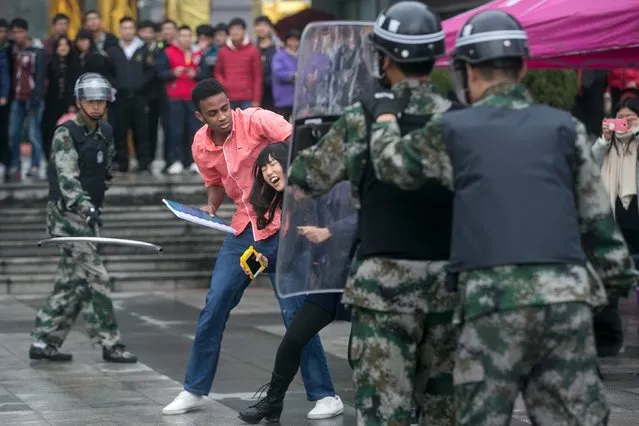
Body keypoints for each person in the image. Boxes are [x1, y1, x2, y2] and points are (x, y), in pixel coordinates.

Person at [366, 10, 637, 426]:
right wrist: (604, 303)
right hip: (563, 300)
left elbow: (391, 165)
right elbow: (600, 228)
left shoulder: (453, 129)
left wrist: (385, 118)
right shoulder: (564, 128)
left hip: (489, 305)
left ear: (467, 70)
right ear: (524, 67)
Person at [287, 2, 460, 424]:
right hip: (450, 283)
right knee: (444, 408)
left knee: (384, 411)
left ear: (383, 58)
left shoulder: (362, 117)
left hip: (383, 286)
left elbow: (305, 177)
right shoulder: (459, 117)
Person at [161, 79, 342, 420]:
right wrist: (210, 209)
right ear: (200, 117)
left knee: (295, 313)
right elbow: (215, 184)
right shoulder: (201, 144)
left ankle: (326, 395)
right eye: (213, 113)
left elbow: (301, 143)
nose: (223, 117)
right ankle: (194, 389)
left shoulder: (257, 120)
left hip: (284, 228)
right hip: (243, 229)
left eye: (226, 107)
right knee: (214, 305)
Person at [238, 143, 356, 424]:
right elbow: (294, 248)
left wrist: (329, 231)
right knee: (294, 338)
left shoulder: (332, 188)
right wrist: (267, 261)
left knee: (359, 355)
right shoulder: (295, 202)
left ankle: (408, 400)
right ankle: (273, 402)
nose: (268, 172)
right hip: (329, 284)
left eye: (272, 163)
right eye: (263, 168)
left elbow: (359, 220)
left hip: (358, 282)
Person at [29, 73, 137, 364]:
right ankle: (111, 344)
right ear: (79, 101)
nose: (96, 106)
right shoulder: (66, 133)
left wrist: (96, 203)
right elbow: (67, 178)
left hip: (89, 215)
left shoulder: (107, 132)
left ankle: (43, 340)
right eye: (90, 100)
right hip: (67, 216)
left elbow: (106, 171)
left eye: (101, 100)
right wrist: (84, 205)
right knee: (95, 276)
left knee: (70, 281)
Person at [591, 98, 639, 357]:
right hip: (611, 221)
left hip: (636, 220)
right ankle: (611, 339)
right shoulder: (606, 145)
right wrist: (604, 138)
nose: (624, 123)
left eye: (630, 118)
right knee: (612, 281)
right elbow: (588, 163)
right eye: (620, 118)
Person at [7, 18, 46, 182]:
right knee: (14, 133)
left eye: (20, 32)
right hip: (16, 98)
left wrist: (37, 98)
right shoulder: (12, 50)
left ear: (26, 32)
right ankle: (15, 164)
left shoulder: (37, 51)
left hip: (33, 98)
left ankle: (35, 165)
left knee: (34, 134)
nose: (17, 35)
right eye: (14, 32)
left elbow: (41, 77)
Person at [42, 36, 80, 161]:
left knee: (68, 132)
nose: (63, 48)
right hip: (51, 104)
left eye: (66, 45)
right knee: (50, 131)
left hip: (69, 105)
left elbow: (74, 85)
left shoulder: (75, 63)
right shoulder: (49, 63)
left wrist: (73, 104)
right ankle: (51, 158)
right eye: (60, 45)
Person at [214, 18, 263, 109]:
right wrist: (224, 85)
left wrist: (256, 100)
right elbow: (218, 72)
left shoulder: (253, 51)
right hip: (228, 97)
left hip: (247, 98)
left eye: (238, 29)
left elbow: (257, 77)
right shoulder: (222, 51)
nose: (235, 32)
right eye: (232, 29)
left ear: (244, 31)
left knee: (246, 123)